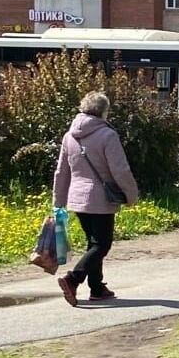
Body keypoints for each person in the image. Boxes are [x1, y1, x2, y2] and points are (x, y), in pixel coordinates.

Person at [51, 90, 141, 306]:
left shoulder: (69, 136)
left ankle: (97, 288)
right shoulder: (107, 135)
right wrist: (131, 195)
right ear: (104, 111)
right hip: (100, 199)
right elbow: (120, 170)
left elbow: (61, 171)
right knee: (102, 245)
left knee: (93, 243)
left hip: (77, 198)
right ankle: (73, 279)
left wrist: (58, 201)